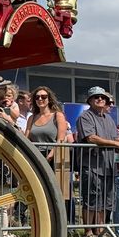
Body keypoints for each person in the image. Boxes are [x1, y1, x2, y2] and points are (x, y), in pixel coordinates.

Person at [74, 87, 119, 237]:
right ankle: (88, 232)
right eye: (96, 97)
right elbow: (91, 138)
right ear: (90, 100)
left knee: (106, 201)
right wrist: (116, 144)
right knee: (91, 199)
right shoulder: (85, 117)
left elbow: (115, 138)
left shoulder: (108, 118)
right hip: (92, 164)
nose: (100, 99)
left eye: (103, 97)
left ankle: (100, 231)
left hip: (108, 166)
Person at [25, 86, 72, 222]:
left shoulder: (58, 115)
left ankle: (62, 223)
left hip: (56, 157)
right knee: (41, 191)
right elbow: (26, 138)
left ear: (49, 99)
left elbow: (61, 138)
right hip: (37, 156)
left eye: (44, 97)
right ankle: (44, 222)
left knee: (59, 193)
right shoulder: (32, 118)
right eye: (37, 97)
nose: (40, 99)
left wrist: (51, 154)